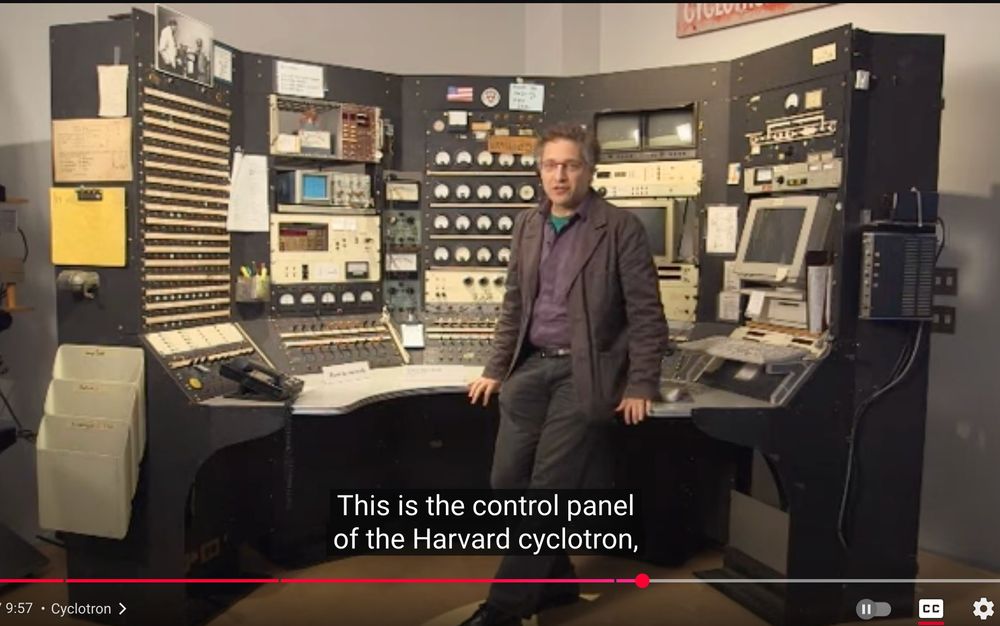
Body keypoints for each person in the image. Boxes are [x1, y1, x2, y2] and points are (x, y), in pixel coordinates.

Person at [463, 123, 669, 625]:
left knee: (548, 491)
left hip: (585, 372)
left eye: (571, 165)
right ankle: (556, 583)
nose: (560, 175)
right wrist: (496, 368)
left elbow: (646, 313)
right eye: (551, 165)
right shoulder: (528, 224)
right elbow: (515, 304)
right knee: (506, 481)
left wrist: (641, 382)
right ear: (539, 170)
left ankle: (503, 609)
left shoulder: (620, 228)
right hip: (531, 367)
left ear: (589, 170)